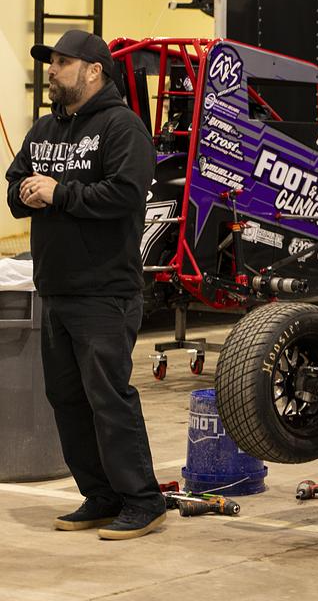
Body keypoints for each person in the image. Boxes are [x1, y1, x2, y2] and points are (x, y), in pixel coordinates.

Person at [5, 30, 165, 540]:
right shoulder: (44, 130)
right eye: (50, 63)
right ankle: (99, 495)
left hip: (105, 291)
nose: (51, 70)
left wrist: (59, 193)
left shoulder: (123, 128)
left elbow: (124, 194)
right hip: (54, 288)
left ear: (93, 70)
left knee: (108, 398)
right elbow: (15, 183)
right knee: (66, 400)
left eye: (61, 62)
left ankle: (143, 500)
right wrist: (25, 193)